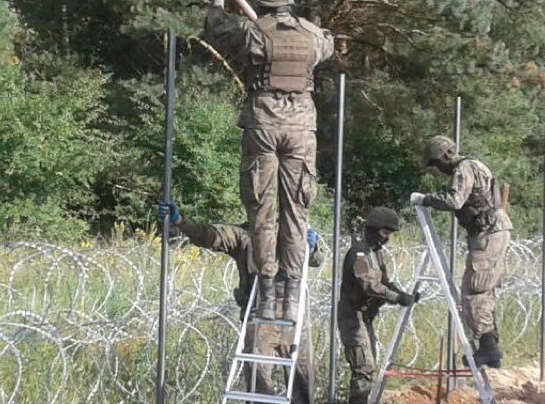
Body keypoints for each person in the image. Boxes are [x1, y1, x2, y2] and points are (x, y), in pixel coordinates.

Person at [204, 0, 334, 320]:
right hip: (302, 128)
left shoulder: (251, 32)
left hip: (264, 124)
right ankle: (292, 296)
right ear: (289, 0)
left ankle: (267, 293)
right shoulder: (313, 36)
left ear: (259, 1)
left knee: (263, 211)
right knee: (296, 212)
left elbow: (215, 29)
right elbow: (328, 44)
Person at [158, 201, 322, 402]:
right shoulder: (244, 236)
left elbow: (316, 260)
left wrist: (311, 247)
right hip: (260, 317)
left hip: (293, 317)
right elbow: (208, 235)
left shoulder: (294, 232)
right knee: (258, 385)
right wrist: (180, 221)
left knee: (303, 384)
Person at [411, 135, 511, 368]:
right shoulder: (476, 165)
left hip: (487, 233)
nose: (438, 169)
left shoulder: (464, 168)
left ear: (446, 154)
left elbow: (454, 200)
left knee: (474, 292)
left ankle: (488, 348)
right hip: (492, 231)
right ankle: (491, 345)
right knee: (485, 290)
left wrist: (425, 199)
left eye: (437, 163)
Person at [338, 207, 418, 404]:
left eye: (389, 234)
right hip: (352, 317)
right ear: (373, 230)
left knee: (368, 366)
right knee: (363, 368)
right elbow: (368, 284)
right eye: (384, 233)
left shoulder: (375, 253)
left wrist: (403, 295)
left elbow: (384, 281)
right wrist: (396, 297)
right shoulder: (359, 253)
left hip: (365, 317)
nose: (386, 238)